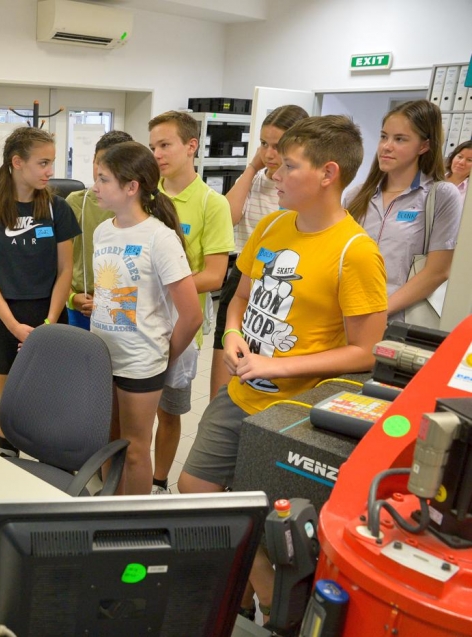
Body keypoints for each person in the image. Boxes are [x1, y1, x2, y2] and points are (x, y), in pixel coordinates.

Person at [179, 115, 388, 620]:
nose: (275, 174)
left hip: (293, 415)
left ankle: (269, 602)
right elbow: (240, 298)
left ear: (328, 173)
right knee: (196, 488)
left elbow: (366, 352)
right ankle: (262, 590)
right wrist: (232, 334)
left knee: (277, 523)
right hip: (241, 392)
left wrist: (281, 364)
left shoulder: (356, 252)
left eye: (289, 166)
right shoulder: (273, 225)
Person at [90, 141, 202, 495]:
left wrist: (163, 357)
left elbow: (192, 315)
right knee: (108, 442)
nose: (96, 186)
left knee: (135, 449)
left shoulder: (160, 238)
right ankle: (112, 507)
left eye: (104, 179)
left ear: (131, 187)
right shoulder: (102, 231)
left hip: (141, 362)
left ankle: (133, 517)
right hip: (102, 356)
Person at [0, 126, 80, 457]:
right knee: (11, 407)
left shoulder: (58, 209)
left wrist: (49, 323)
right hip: (7, 321)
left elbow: (65, 270)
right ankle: (9, 463)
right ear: (17, 162)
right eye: (43, 163)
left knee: (52, 404)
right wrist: (15, 326)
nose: (50, 171)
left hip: (51, 319)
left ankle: (53, 468)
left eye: (52, 162)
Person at [147, 111, 234, 495]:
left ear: (191, 146)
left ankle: (158, 482)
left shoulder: (211, 204)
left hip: (181, 327)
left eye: (165, 145)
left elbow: (215, 275)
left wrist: (160, 285)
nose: (157, 154)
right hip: (137, 322)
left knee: (169, 411)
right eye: (153, 146)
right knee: (130, 410)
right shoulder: (145, 193)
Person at [211, 105, 309, 399]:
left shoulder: (298, 188)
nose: (269, 153)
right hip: (243, 273)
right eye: (264, 144)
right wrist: (251, 168)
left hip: (281, 281)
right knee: (225, 362)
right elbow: (228, 216)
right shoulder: (255, 178)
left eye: (277, 146)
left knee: (264, 360)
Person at [345, 100, 461, 324]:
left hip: (398, 323)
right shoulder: (356, 196)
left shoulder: (440, 195)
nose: (386, 146)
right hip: (348, 316)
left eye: (400, 139)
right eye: (384, 136)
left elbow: (437, 271)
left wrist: (379, 312)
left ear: (424, 146)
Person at [66, 130, 135, 329]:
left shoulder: (139, 208)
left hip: (123, 307)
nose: (101, 170)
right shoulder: (76, 203)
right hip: (81, 306)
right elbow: (58, 262)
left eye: (111, 164)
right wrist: (71, 297)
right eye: (98, 162)